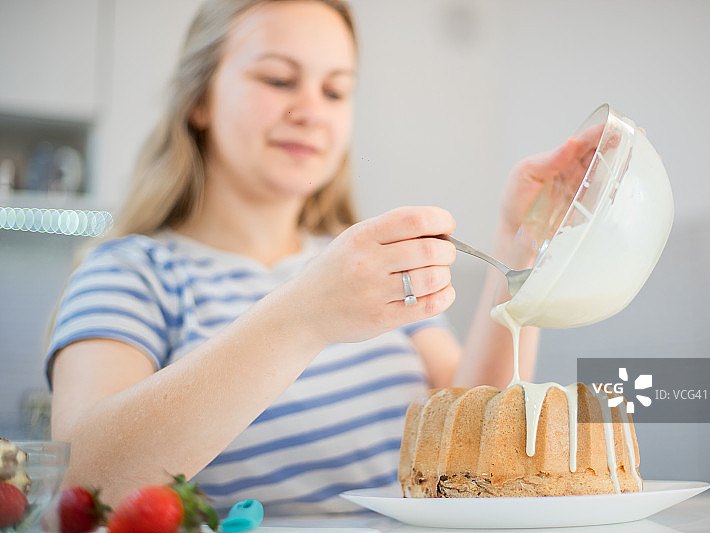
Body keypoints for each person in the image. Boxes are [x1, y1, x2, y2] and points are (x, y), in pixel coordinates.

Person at [47, 0, 593, 516]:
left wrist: (523, 247)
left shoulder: (365, 268)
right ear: (200, 100)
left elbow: (476, 440)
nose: (310, 110)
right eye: (279, 80)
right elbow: (81, 487)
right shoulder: (132, 273)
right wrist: (305, 316)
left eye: (335, 91)